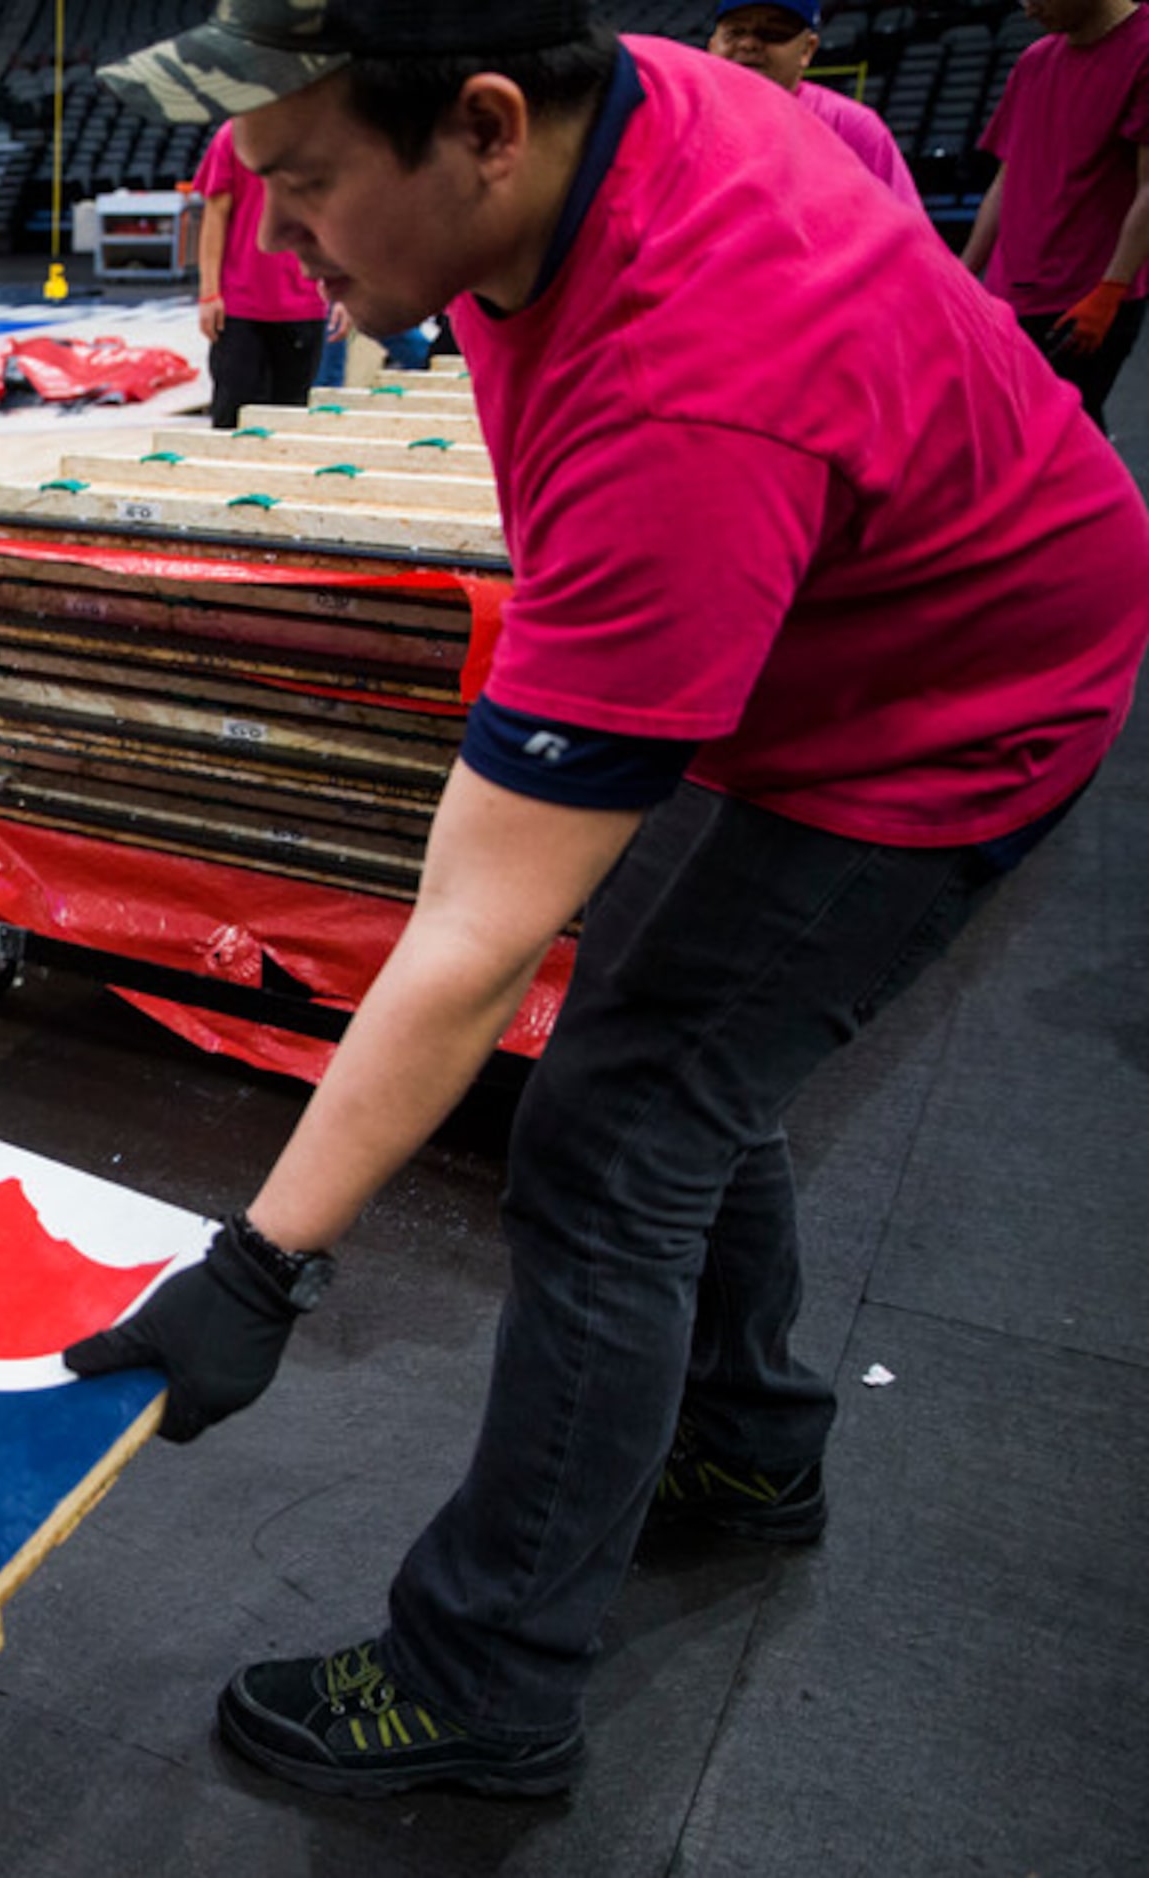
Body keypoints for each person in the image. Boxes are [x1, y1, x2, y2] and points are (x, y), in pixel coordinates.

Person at [82, 0, 1149, 1802]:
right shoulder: (599, 122)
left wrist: (260, 1266)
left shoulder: (686, 385)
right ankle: (742, 1443)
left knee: (617, 1129)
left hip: (956, 702)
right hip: (839, 619)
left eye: (310, 183)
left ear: (486, 125)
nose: (274, 239)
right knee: (671, 1049)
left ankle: (490, 1674)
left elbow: (475, 931)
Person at [962, 0, 1149, 425]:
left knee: (1063, 441)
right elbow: (1006, 181)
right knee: (1012, 437)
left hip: (1084, 298)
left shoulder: (1141, 49)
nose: (1026, 10)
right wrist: (963, 272)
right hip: (1012, 295)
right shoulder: (1035, 61)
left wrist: (1110, 291)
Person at [187, 120, 333, 424]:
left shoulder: (322, 133)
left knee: (290, 423)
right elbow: (216, 214)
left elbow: (337, 212)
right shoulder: (234, 134)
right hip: (239, 304)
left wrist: (344, 281)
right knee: (232, 417)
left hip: (304, 301)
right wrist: (209, 293)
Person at [706, 1, 917, 206]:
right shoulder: (684, 118)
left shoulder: (850, 127)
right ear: (712, 45)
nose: (748, 44)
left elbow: (909, 234)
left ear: (807, 49)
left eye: (773, 33)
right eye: (734, 33)